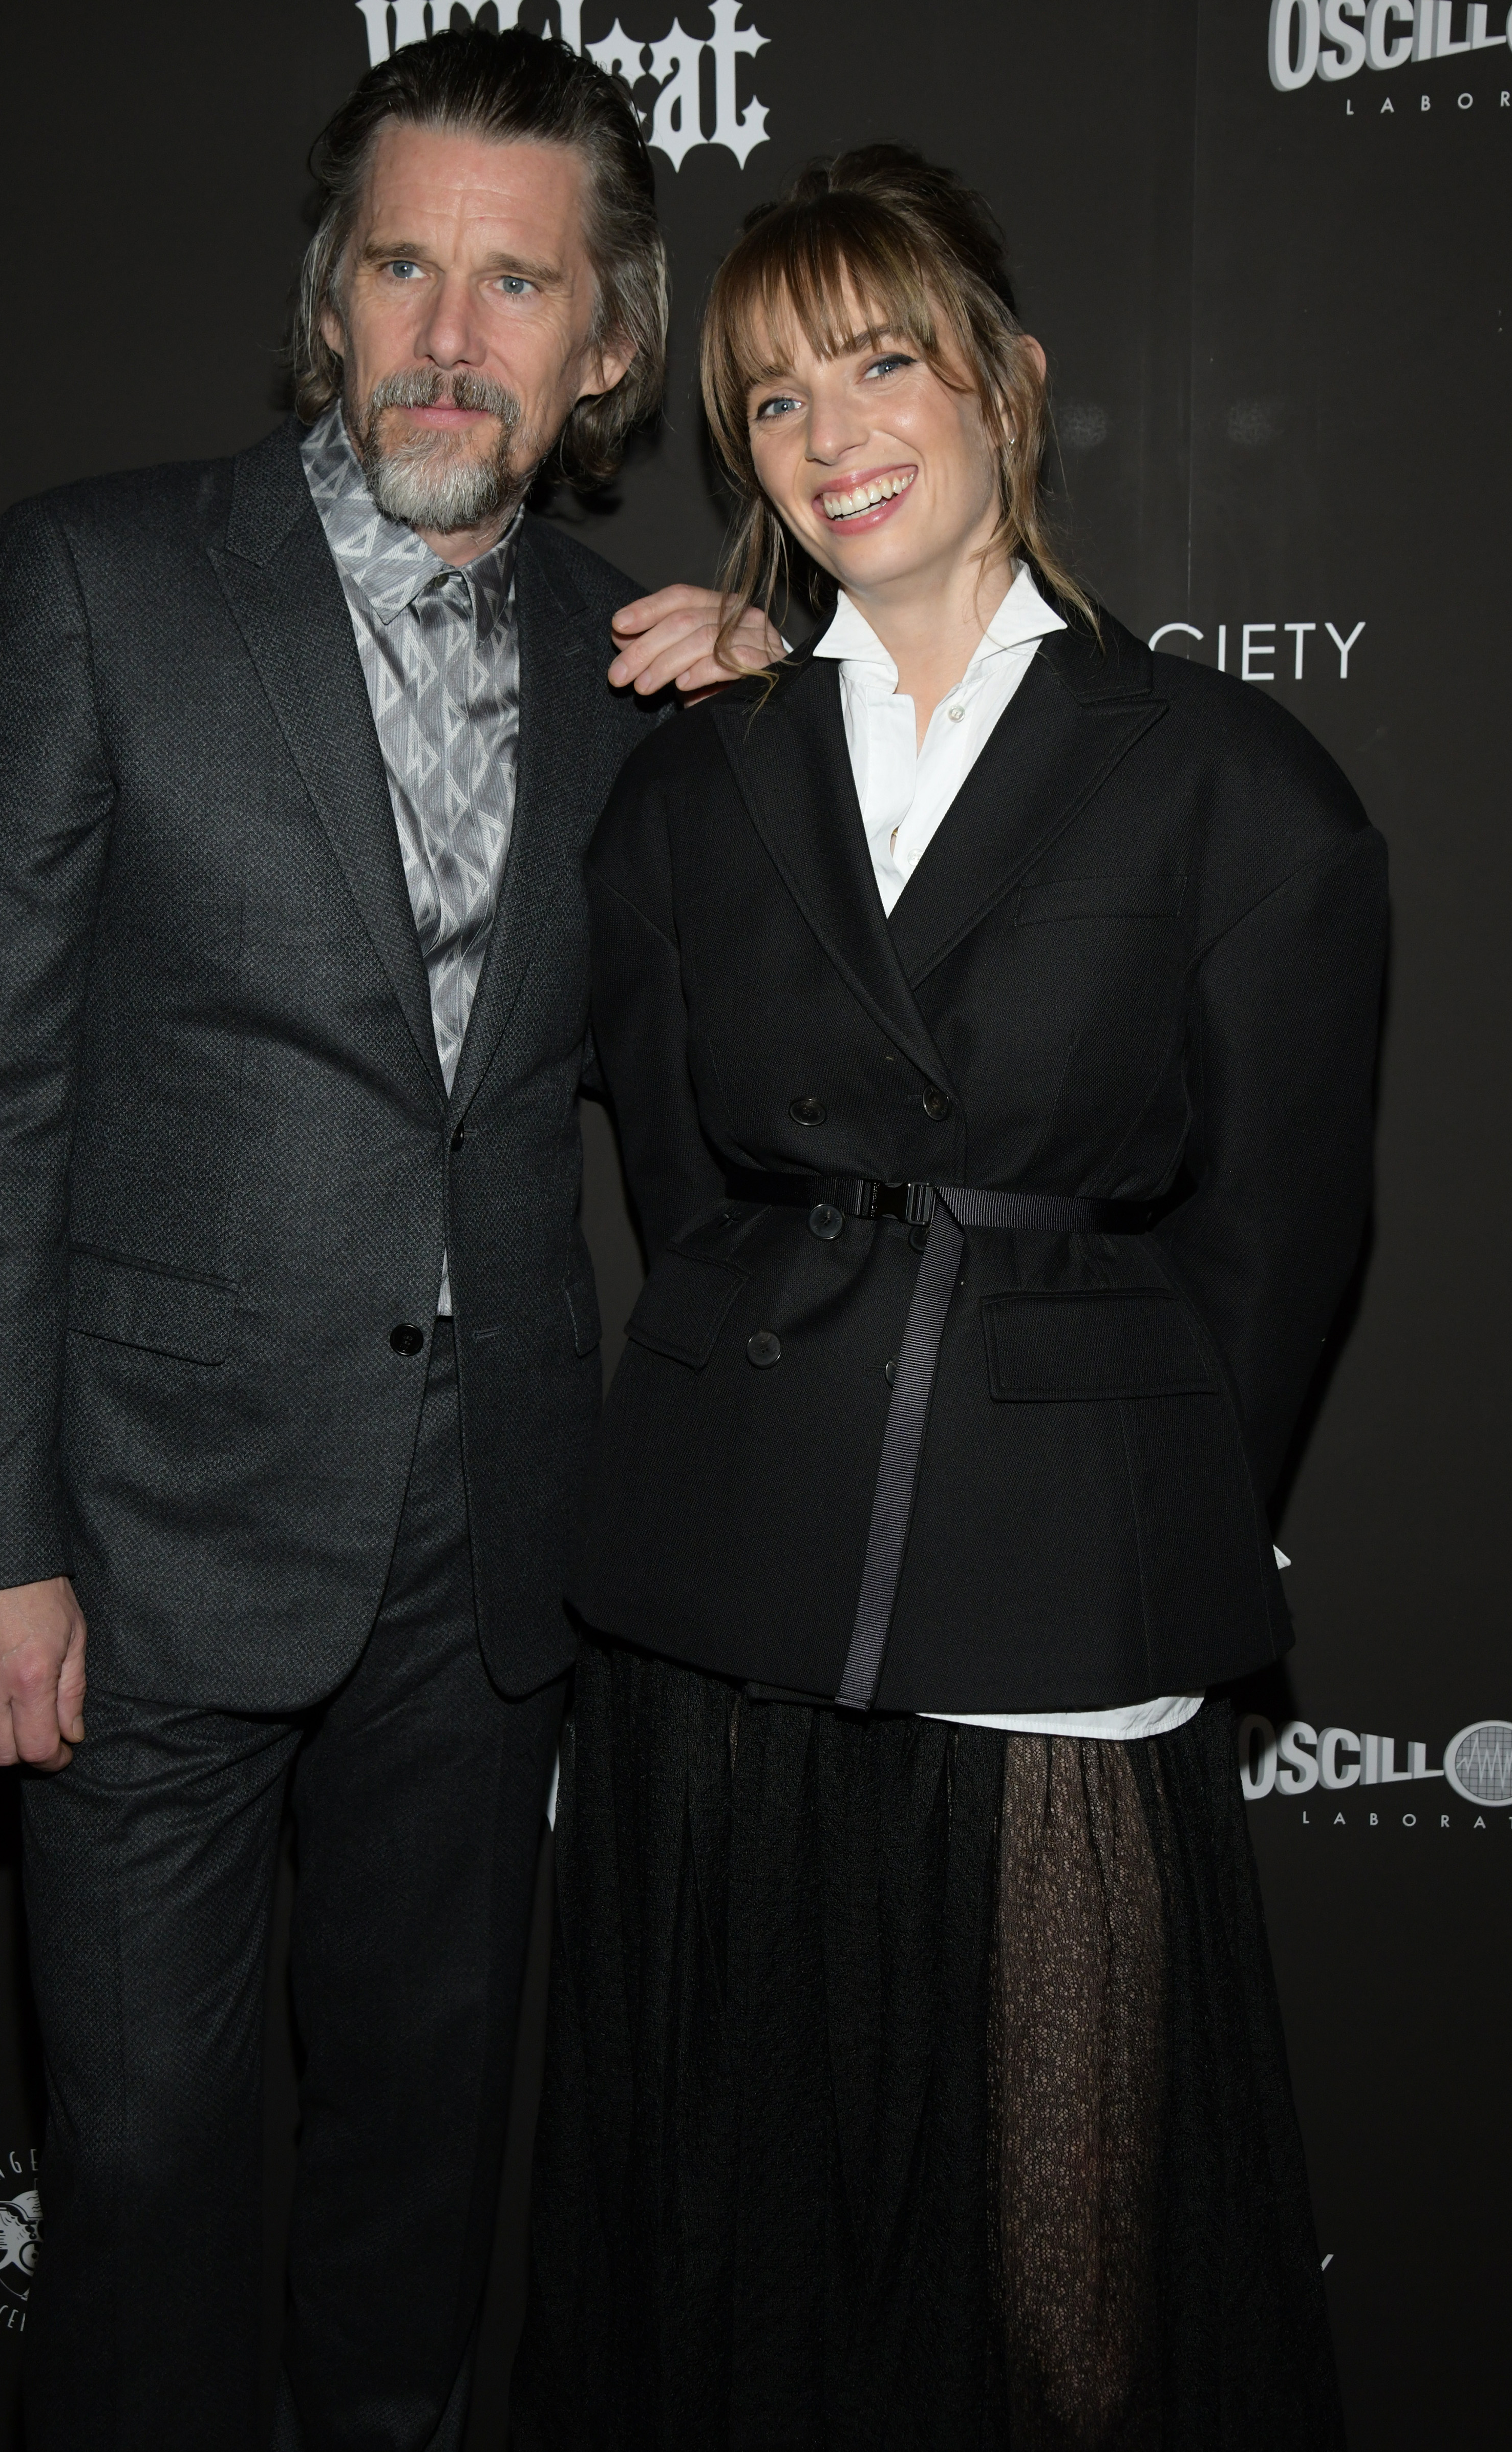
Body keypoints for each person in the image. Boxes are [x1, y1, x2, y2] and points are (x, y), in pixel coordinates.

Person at [0, 27, 775, 2452]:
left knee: (415, 2171)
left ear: (604, 345)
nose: (447, 336)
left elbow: (741, 1105)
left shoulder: (645, 685)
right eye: (402, 264)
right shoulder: (94, 578)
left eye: (515, 283)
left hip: (488, 1559)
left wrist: (785, 735)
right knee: (150, 2175)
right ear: (330, 292)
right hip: (140, 1541)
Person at [513, 147, 1384, 2448]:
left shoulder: (1226, 782)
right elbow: (684, 1186)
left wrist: (1135, 1490)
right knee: (738, 2227)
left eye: (880, 361)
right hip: (724, 1585)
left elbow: (1271, 1247)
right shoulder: (698, 782)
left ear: (1005, 380)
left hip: (1054, 1587)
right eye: (775, 399)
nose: (834, 433)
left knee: (1067, 2273)